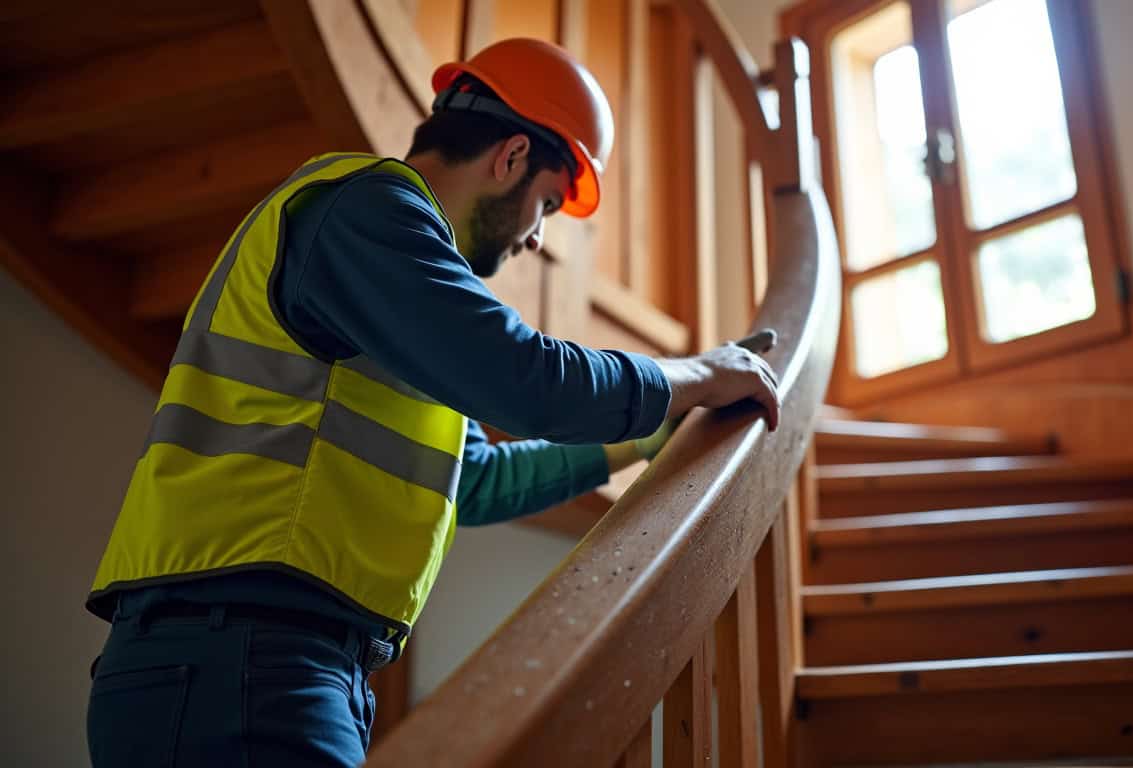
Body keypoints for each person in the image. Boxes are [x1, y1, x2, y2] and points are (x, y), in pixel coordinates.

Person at [83, 38, 779, 767]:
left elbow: (472, 480)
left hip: (272, 658)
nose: (537, 236)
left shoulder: (405, 297)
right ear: (510, 156)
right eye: (545, 203)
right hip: (240, 650)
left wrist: (640, 442)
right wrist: (696, 375)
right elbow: (531, 381)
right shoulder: (364, 209)